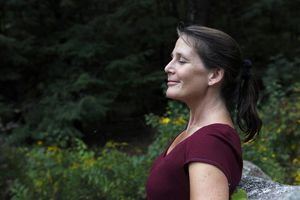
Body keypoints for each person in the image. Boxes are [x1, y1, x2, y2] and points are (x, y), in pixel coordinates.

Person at [146, 24, 262, 200]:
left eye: (182, 60)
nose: (168, 67)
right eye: (172, 58)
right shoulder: (194, 133)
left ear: (214, 75)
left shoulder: (210, 142)